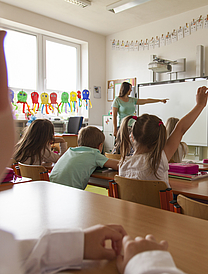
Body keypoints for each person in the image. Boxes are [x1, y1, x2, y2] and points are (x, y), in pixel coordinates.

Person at [0, 30, 183, 274]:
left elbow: (18, 256)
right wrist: (148, 264)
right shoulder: (124, 124)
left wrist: (77, 244)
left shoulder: (77, 150)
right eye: (6, 106)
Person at [118, 86, 208, 187]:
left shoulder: (123, 165)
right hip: (159, 203)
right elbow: (180, 128)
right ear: (160, 139)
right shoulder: (158, 161)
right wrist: (200, 105)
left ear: (132, 136)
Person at [49, 126, 119, 190]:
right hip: (71, 192)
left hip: (50, 187)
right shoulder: (93, 153)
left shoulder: (70, 151)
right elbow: (119, 165)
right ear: (100, 146)